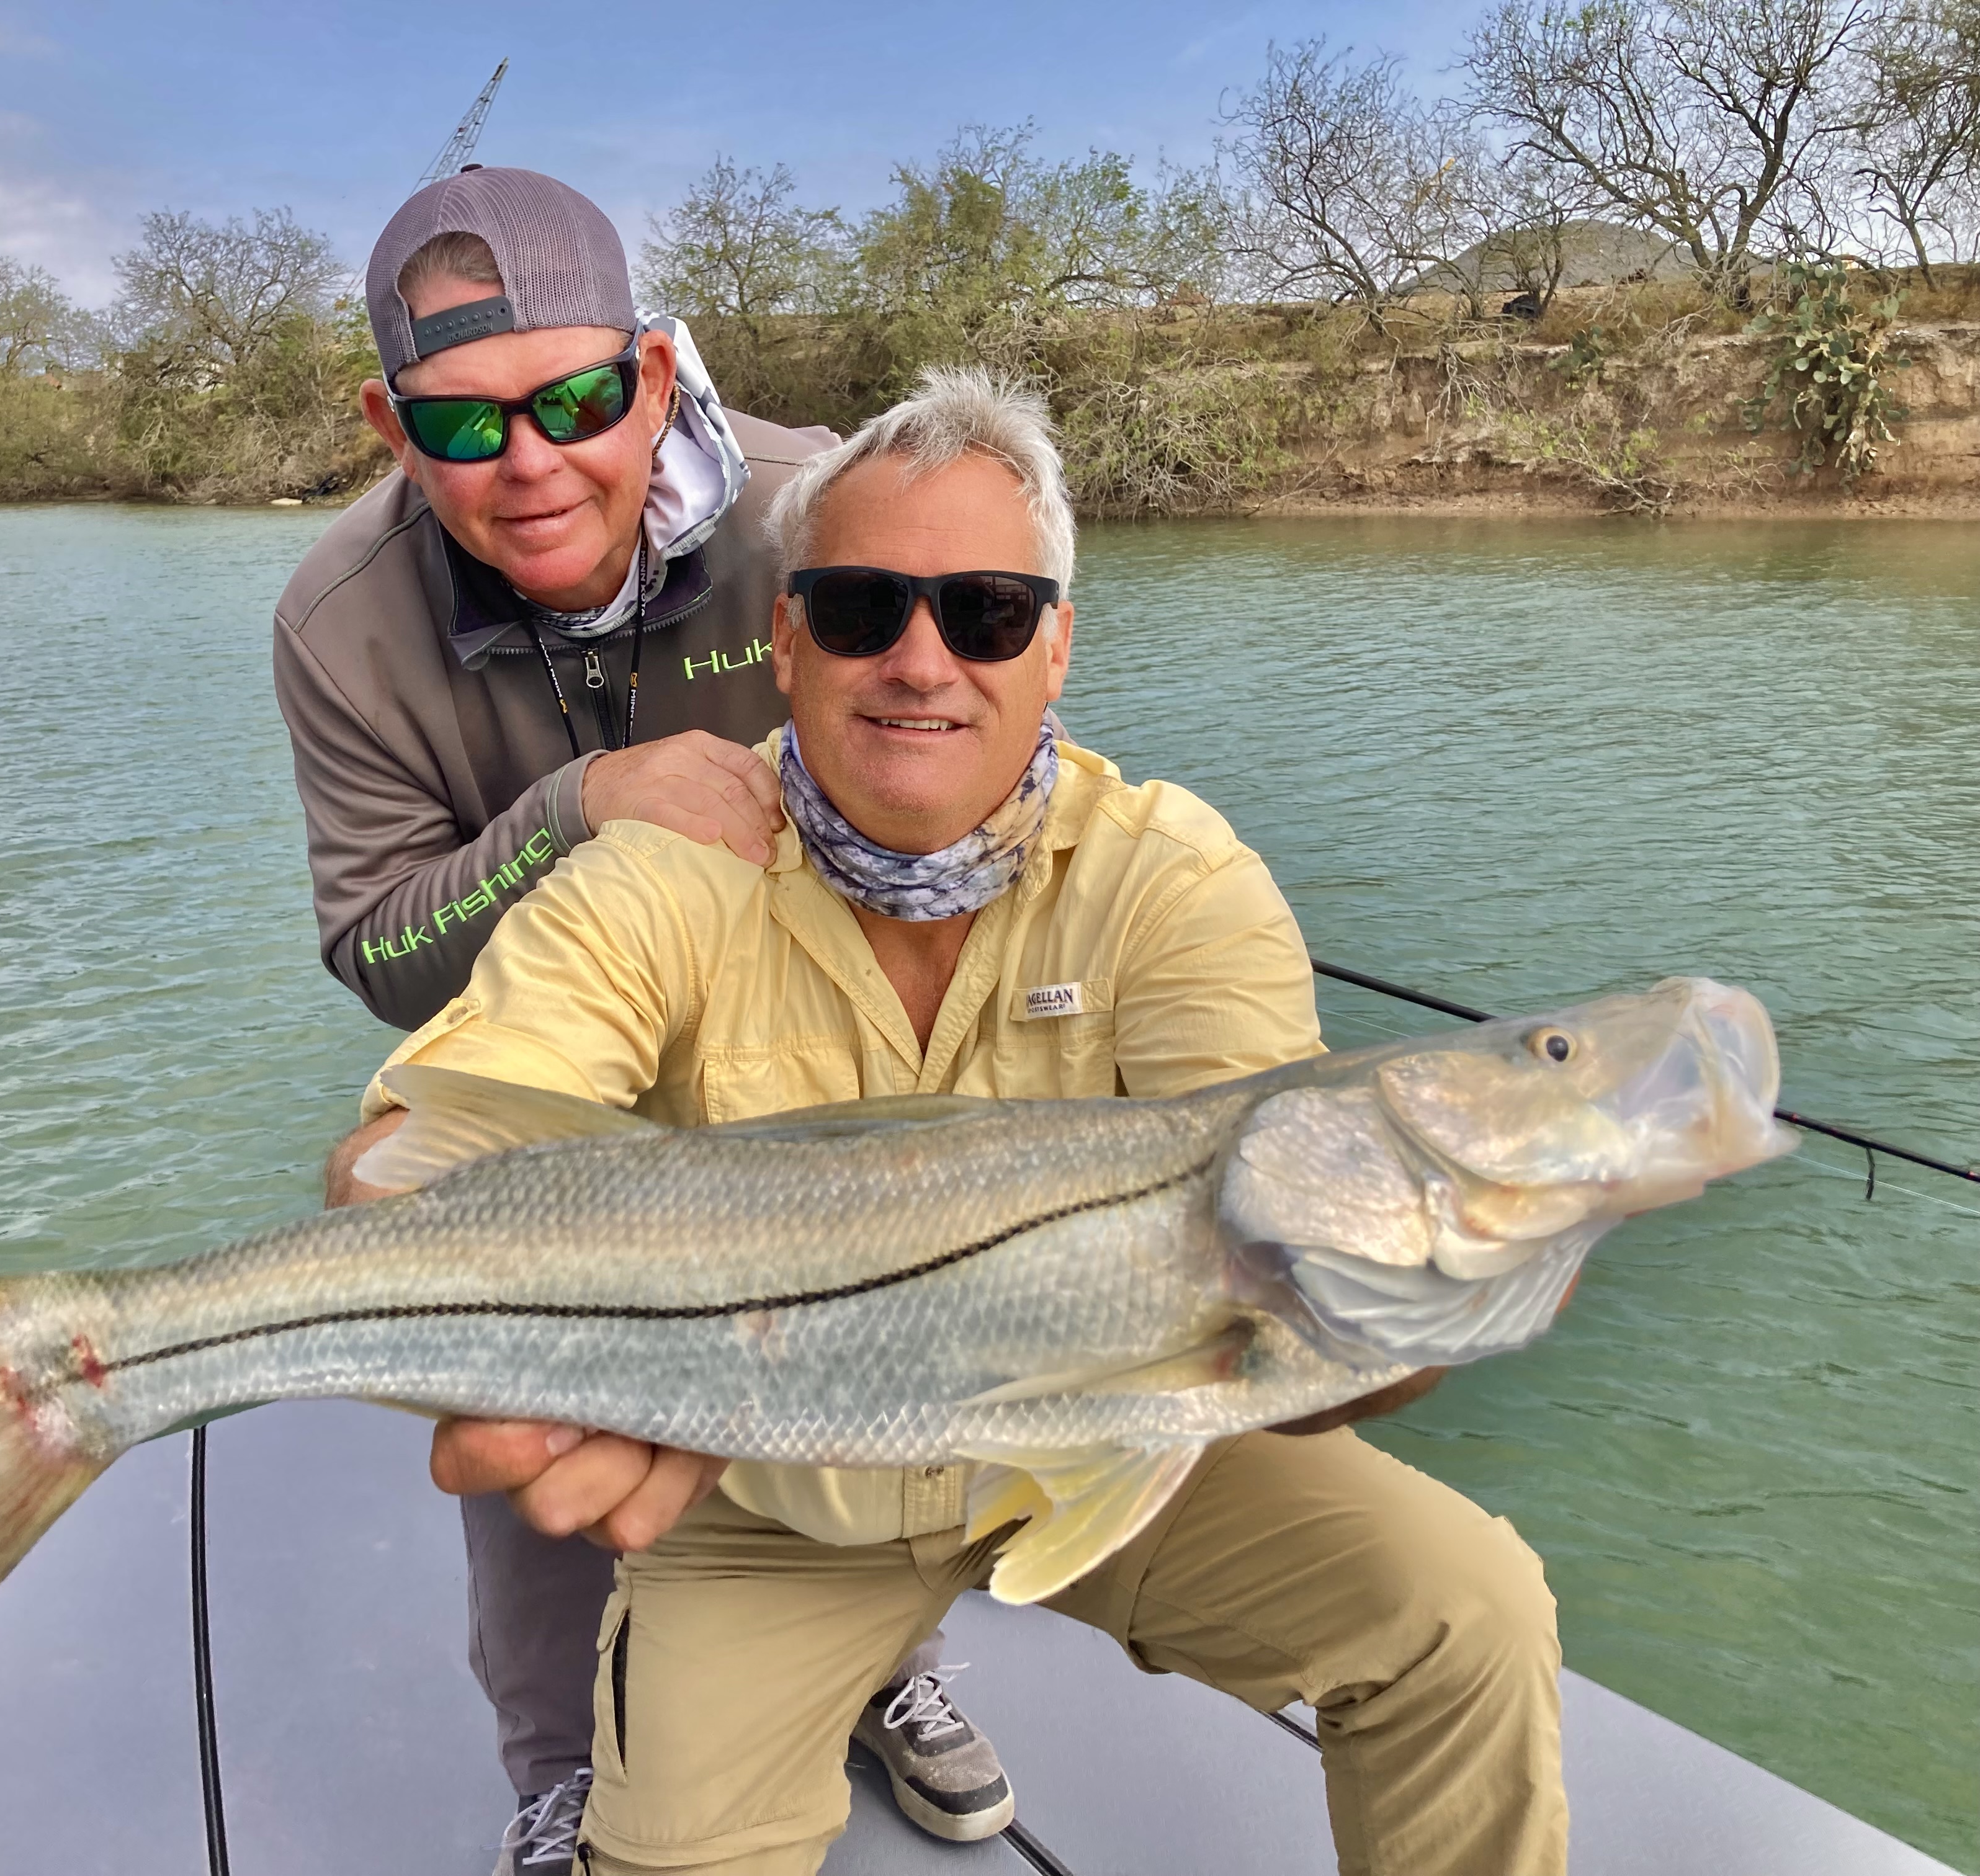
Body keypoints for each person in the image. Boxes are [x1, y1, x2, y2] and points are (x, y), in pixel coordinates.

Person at [328, 367, 1567, 1876]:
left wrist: (1399, 1302)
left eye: (985, 614)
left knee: (1467, 1610)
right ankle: (841, 1671)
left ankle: (894, 1672)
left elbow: (1286, 1296)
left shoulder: (1175, 878)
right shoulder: (657, 874)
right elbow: (415, 1146)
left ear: (1056, 651)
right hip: (758, 1488)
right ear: (784, 643)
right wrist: (398, 1219)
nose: (921, 661)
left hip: (1114, 1445)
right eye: (859, 609)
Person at [270, 169, 1011, 1872]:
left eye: (581, 399)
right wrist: (577, 806)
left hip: (814, 1038)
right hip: (549, 1071)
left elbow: (967, 745)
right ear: (392, 426)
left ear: (658, 375)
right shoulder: (337, 621)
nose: (530, 461)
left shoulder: (829, 506)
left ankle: (888, 1667)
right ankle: (557, 1766)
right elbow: (384, 952)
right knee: (528, 1395)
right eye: (463, 424)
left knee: (880, 1351)